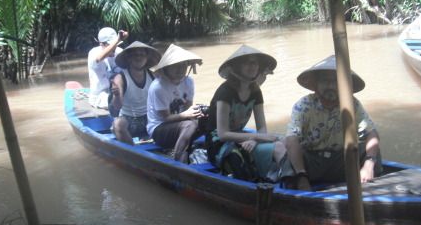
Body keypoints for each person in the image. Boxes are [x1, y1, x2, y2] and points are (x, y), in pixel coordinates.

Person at [283, 55, 381, 191]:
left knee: (370, 148)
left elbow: (371, 133)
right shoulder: (304, 105)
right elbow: (292, 139)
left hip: (341, 161)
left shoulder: (352, 104)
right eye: (325, 81)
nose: (330, 86)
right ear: (316, 85)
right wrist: (301, 175)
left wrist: (368, 165)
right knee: (288, 151)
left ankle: (369, 185)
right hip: (312, 162)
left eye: (335, 81)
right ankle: (296, 187)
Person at [205, 45, 286, 182]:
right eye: (247, 62)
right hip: (218, 143)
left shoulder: (256, 91)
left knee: (282, 143)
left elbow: (262, 127)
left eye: (255, 63)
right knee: (237, 158)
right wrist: (254, 136)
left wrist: (254, 140)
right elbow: (223, 134)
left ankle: (285, 180)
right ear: (237, 66)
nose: (252, 66)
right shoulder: (225, 92)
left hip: (242, 136)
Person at [146, 44, 205, 163]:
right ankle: (178, 160)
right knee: (190, 125)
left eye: (183, 65)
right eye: (176, 66)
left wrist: (199, 114)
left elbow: (188, 108)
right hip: (159, 128)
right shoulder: (158, 87)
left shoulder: (188, 82)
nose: (180, 69)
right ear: (167, 68)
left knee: (208, 118)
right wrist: (187, 115)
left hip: (179, 124)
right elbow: (166, 118)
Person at [110, 41, 161, 145]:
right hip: (128, 119)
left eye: (142, 55)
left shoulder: (154, 75)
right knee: (118, 124)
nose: (139, 57)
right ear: (128, 58)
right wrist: (116, 95)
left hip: (149, 117)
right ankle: (132, 149)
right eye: (135, 55)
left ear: (147, 58)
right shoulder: (120, 78)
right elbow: (117, 106)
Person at [87, 27, 129, 109]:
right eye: (111, 44)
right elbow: (99, 58)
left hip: (119, 91)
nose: (114, 47)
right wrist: (117, 40)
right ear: (101, 44)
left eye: (116, 44)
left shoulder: (120, 51)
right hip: (100, 96)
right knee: (120, 103)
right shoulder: (94, 52)